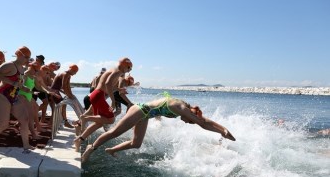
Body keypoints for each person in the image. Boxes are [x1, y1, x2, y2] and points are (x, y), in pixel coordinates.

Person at [81, 93, 236, 162]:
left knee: (136, 144)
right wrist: (222, 130)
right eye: (188, 121)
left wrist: (223, 130)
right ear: (190, 114)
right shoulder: (181, 107)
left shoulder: (186, 109)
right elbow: (202, 123)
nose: (184, 121)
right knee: (114, 132)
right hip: (139, 110)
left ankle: (111, 150)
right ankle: (91, 147)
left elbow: (203, 120)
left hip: (145, 115)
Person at [74, 57, 133, 152]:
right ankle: (85, 118)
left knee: (99, 123)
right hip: (98, 95)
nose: (129, 70)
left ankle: (79, 140)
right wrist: (113, 101)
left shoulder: (114, 69)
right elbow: (107, 83)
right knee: (110, 120)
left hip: (96, 94)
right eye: (129, 68)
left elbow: (109, 84)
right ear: (125, 66)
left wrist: (119, 89)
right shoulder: (118, 71)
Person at [0, 46, 34, 151]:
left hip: (13, 97)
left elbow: (18, 83)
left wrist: (24, 88)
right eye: (26, 57)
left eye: (29, 58)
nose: (27, 60)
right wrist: (12, 83)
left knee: (25, 120)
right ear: (19, 55)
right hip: (2, 97)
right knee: (3, 124)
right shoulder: (10, 65)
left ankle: (26, 145)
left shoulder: (22, 69)